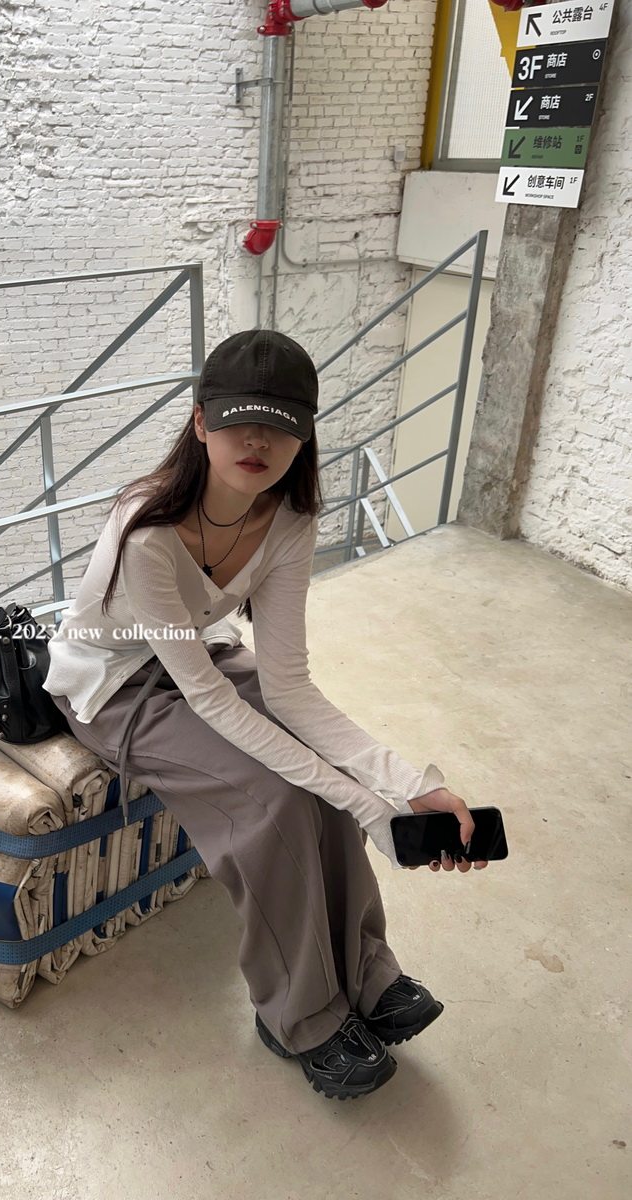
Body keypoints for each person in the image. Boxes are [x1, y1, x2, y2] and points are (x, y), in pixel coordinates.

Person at [43, 328, 488, 1101]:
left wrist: (409, 787)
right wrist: (369, 809)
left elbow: (289, 689)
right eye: (238, 421)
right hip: (112, 686)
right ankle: (302, 1015)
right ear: (200, 423)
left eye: (279, 426)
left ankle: (365, 971)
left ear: (304, 435)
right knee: (275, 798)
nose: (257, 441)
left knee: (326, 781)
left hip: (200, 657)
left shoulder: (289, 520)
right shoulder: (148, 530)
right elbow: (209, 701)